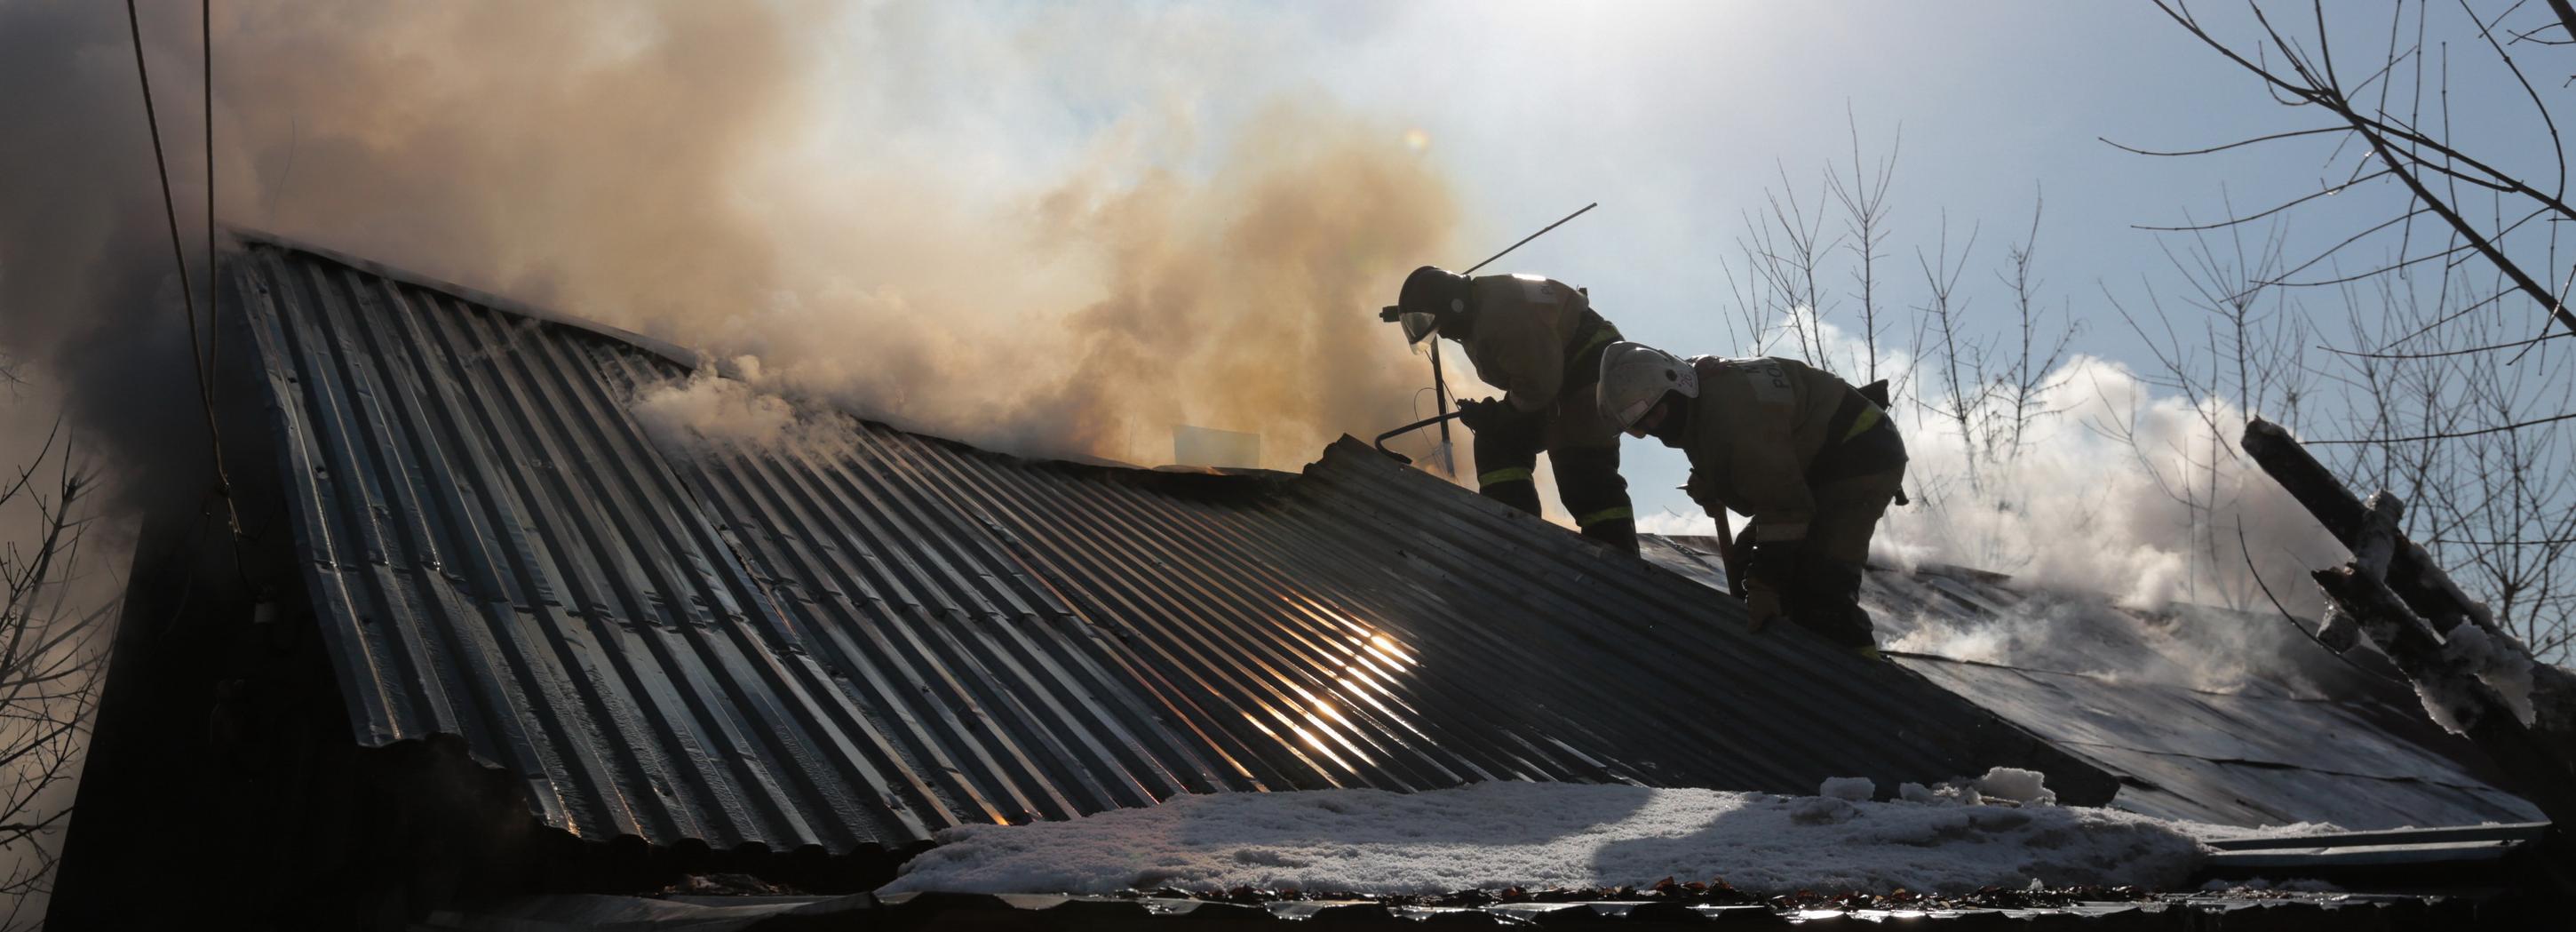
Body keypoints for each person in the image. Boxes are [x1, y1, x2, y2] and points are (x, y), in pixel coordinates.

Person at [1594, 341, 1906, 655]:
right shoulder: (1694, 384)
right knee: (1747, 564)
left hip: (1862, 455)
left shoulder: (1733, 415)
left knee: (1821, 588)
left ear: (1674, 388)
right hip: (1811, 465)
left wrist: (1767, 585)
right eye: (1641, 425)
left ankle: (1861, 682)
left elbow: (1785, 506)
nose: (1653, 428)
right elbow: (1745, 452)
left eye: (1655, 414)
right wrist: (1710, 478)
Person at [1387, 266, 1636, 554]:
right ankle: (1511, 539)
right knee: (1497, 440)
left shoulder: (1501, 314)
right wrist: (1496, 419)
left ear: (1453, 306)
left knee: (1578, 460)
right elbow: (1534, 383)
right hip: (1560, 380)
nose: (1442, 335)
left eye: (1440, 325)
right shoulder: (1479, 315)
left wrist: (1499, 414)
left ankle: (1619, 560)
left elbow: (1540, 384)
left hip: (1592, 367)